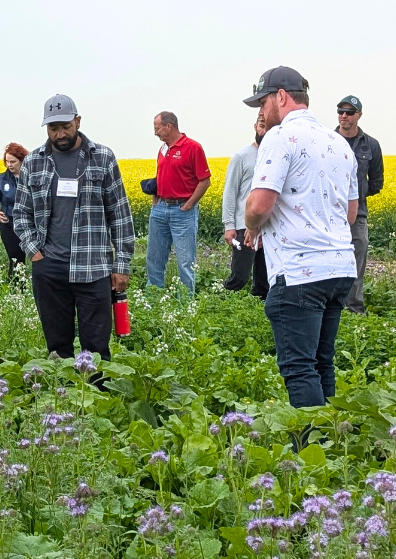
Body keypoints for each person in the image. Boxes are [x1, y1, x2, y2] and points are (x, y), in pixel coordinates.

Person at [242, 67, 358, 410]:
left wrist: (252, 224)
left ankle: (311, 453)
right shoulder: (338, 142)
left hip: (299, 270)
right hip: (339, 267)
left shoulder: (280, 137)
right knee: (322, 362)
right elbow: (349, 214)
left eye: (263, 102)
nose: (262, 112)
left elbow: (259, 204)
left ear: (281, 96)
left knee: (299, 367)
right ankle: (334, 447)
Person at [10, 94, 134, 360]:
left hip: (94, 266)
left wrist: (121, 266)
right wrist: (34, 251)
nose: (60, 133)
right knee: (57, 346)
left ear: (77, 121)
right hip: (50, 266)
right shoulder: (34, 162)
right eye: (53, 128)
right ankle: (62, 397)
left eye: (65, 126)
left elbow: (120, 215)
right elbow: (21, 213)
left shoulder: (102, 158)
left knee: (97, 346)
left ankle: (97, 397)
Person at [147, 111, 211, 295]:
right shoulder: (163, 149)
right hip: (160, 210)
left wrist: (189, 204)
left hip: (182, 211)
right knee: (154, 257)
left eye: (157, 128)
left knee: (185, 260)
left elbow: (205, 180)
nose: (155, 133)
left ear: (169, 126)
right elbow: (161, 175)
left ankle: (185, 304)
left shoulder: (193, 147)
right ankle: (153, 298)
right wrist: (155, 197)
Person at [337, 95, 384, 314]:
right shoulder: (328, 140)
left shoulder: (371, 145)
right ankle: (332, 309)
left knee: (357, 262)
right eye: (340, 111)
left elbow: (376, 183)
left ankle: (354, 311)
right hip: (330, 213)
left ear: (359, 115)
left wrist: (357, 197)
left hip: (358, 216)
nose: (343, 116)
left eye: (349, 112)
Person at [221, 112, 268, 296]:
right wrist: (229, 225)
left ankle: (258, 315)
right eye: (261, 125)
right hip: (243, 226)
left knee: (264, 281)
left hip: (268, 228)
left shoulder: (277, 156)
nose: (264, 130)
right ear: (255, 126)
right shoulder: (242, 156)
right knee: (240, 276)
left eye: (268, 126)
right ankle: (222, 304)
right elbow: (230, 192)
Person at [0, 142, 30, 279]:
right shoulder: (0, 180)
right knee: (15, 258)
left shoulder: (31, 178)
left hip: (30, 223)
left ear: (22, 160)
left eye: (13, 161)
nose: (9, 165)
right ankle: (16, 288)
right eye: (7, 161)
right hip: (9, 224)